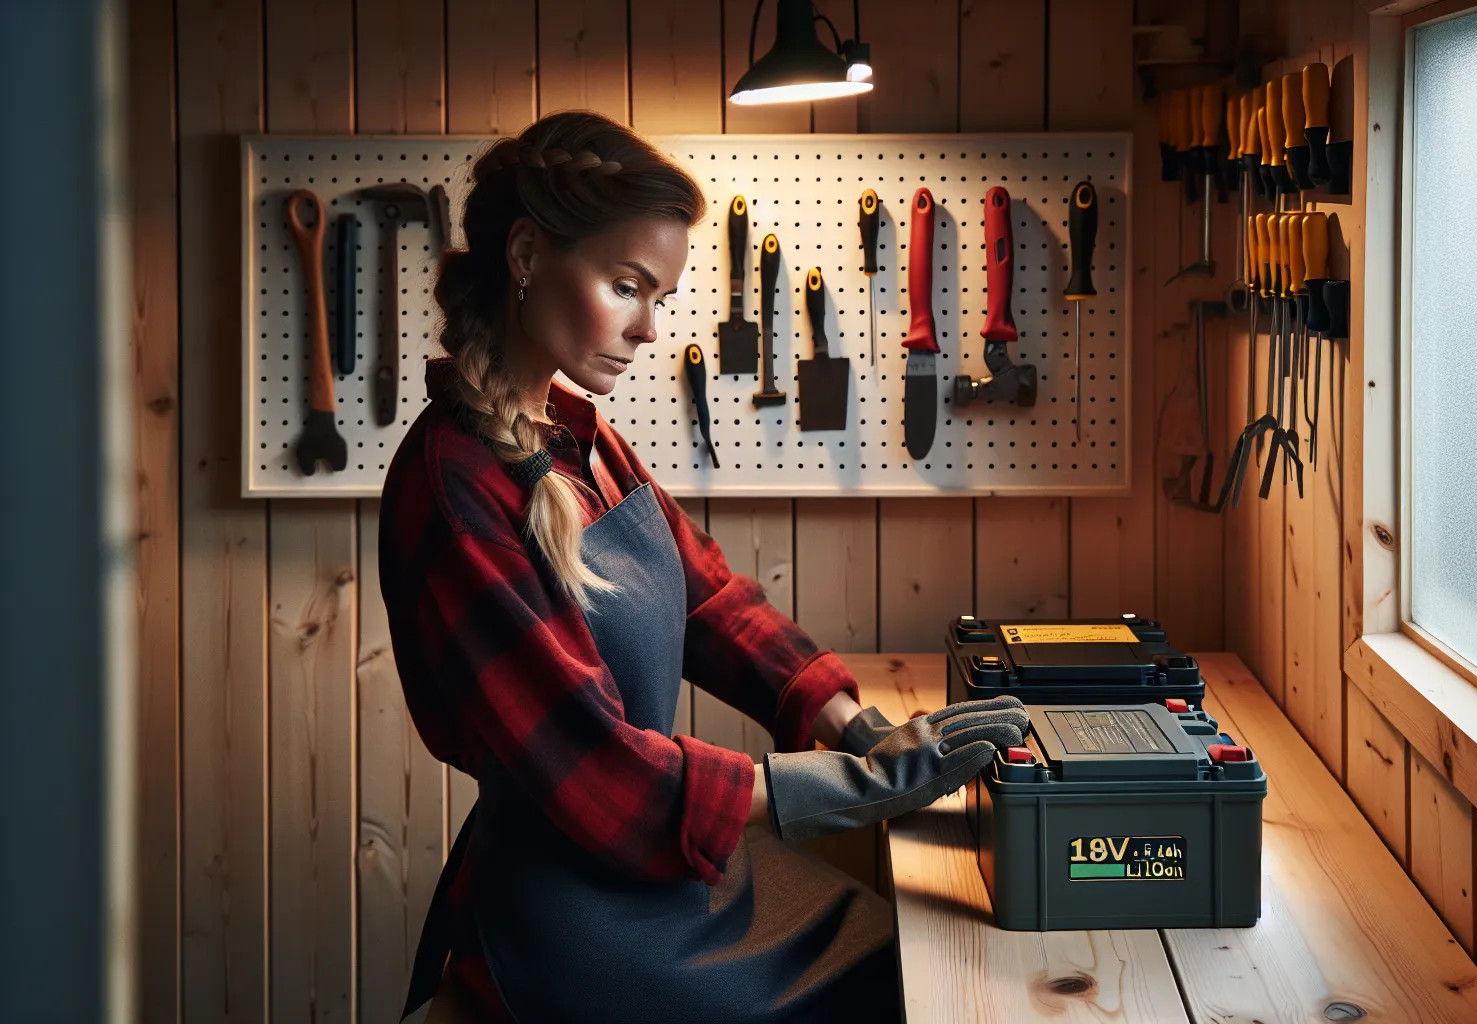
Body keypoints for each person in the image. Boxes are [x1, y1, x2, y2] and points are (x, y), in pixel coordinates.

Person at [379, 111, 1029, 1024]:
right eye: (625, 286)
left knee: (906, 958)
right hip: (580, 923)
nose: (648, 330)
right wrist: (855, 788)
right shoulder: (455, 490)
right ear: (526, 255)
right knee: (906, 986)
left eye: (661, 298)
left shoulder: (578, 439)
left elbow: (708, 602)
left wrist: (856, 726)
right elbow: (602, 776)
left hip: (668, 879)